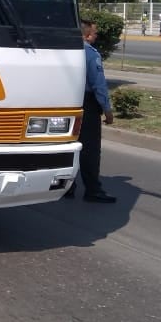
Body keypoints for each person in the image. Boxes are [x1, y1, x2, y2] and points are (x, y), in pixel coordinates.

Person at [66, 20, 116, 203]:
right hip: (87, 104)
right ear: (86, 36)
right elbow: (98, 84)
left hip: (67, 101)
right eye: (94, 33)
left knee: (70, 145)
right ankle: (93, 189)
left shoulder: (66, 52)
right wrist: (107, 109)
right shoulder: (90, 53)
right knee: (90, 149)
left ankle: (67, 186)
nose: (96, 36)